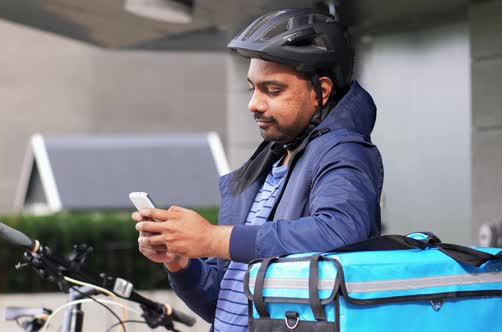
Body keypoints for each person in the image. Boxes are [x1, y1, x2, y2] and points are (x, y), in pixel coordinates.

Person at [132, 8, 383, 331]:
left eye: (273, 90)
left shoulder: (344, 151)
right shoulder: (265, 165)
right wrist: (180, 261)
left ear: (320, 91)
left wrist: (212, 238)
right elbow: (220, 305)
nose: (254, 103)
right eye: (253, 87)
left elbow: (338, 231)